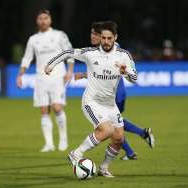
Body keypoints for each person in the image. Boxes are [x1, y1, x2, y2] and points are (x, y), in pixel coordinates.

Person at [45, 21, 137, 177]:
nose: (106, 41)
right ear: (100, 38)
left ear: (115, 37)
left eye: (109, 38)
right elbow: (67, 52)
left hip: (110, 105)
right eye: (103, 38)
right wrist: (50, 65)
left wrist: (126, 72)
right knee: (107, 130)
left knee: (119, 138)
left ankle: (103, 168)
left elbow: (134, 78)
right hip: (91, 102)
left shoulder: (124, 55)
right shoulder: (90, 53)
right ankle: (76, 153)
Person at [74, 22, 155, 160]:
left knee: (111, 126)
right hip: (115, 92)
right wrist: (84, 74)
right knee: (115, 126)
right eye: (91, 33)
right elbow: (101, 71)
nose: (92, 36)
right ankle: (132, 149)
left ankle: (141, 135)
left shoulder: (113, 49)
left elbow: (116, 69)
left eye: (95, 33)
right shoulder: (99, 51)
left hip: (114, 93)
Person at [16, 10, 74, 152]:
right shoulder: (33, 39)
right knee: (44, 110)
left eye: (45, 18)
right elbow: (27, 58)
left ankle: (63, 139)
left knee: (57, 108)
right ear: (37, 21)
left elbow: (70, 52)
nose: (43, 21)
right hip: (41, 78)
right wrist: (20, 75)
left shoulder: (59, 35)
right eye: (40, 18)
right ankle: (49, 144)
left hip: (57, 76)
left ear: (50, 20)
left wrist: (69, 71)